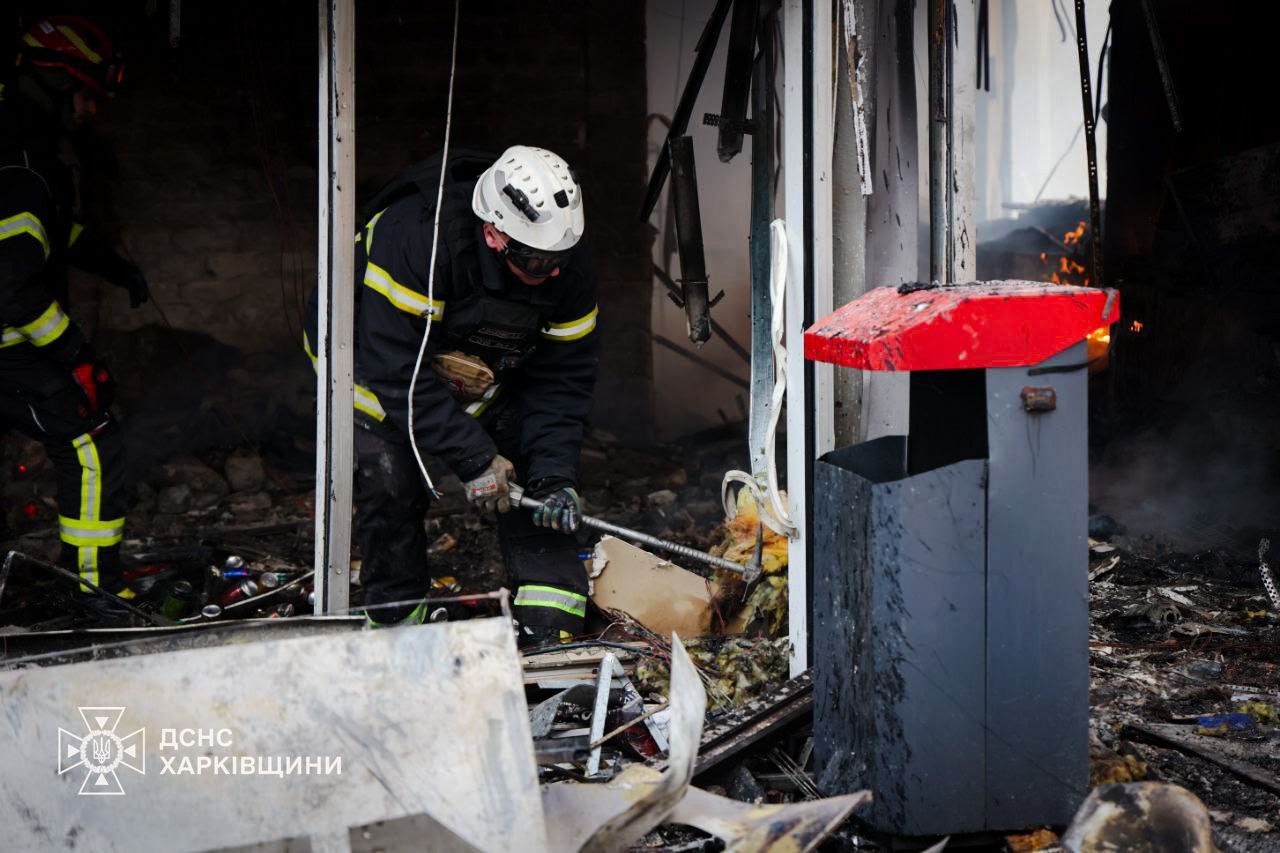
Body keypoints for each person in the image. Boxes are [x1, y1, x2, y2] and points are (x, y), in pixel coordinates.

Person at [306, 146, 597, 644]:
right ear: (494, 233)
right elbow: (397, 370)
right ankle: (398, 630)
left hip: (476, 365)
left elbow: (560, 382)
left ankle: (552, 628)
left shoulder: (564, 266)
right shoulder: (418, 239)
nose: (551, 272)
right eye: (535, 259)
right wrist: (475, 457)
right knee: (392, 477)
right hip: (371, 366)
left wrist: (555, 476)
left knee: (536, 470)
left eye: (559, 260)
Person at [0, 16, 149, 615]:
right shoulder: (22, 166)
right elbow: (12, 288)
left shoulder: (20, 149)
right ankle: (91, 592)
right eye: (89, 97)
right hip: (10, 344)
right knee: (90, 440)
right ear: (59, 85)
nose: (91, 113)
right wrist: (77, 356)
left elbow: (51, 229)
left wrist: (109, 263)